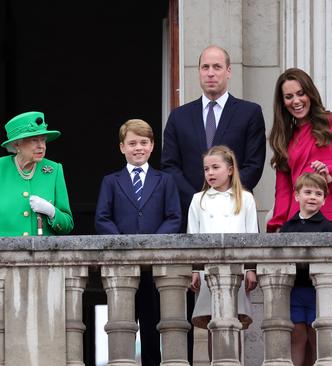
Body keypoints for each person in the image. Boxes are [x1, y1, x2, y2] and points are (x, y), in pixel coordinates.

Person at [161, 45, 265, 362]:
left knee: (237, 316)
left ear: (228, 71)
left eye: (217, 67)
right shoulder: (180, 117)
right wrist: (202, 193)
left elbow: (254, 163)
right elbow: (169, 165)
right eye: (205, 67)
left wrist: (225, 191)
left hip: (233, 218)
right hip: (199, 222)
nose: (210, 73)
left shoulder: (249, 112)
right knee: (204, 316)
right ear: (199, 72)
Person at [266, 67, 332, 341]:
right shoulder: (284, 137)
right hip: (298, 224)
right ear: (282, 102)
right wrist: (276, 227)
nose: (296, 101)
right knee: (300, 315)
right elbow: (283, 193)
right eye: (288, 96)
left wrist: (331, 173)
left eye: (300, 93)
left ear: (310, 93)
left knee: (331, 308)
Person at [0, 111, 73, 350]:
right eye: (34, 140)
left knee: (44, 344)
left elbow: (67, 223)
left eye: (43, 140)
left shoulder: (54, 170)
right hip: (4, 275)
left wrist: (51, 212)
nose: (41, 145)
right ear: (17, 144)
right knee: (3, 341)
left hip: (43, 272)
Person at [94, 119, 181, 365]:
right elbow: (102, 218)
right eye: (132, 143)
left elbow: (174, 217)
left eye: (144, 142)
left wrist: (153, 243)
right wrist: (124, 244)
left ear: (152, 146)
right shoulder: (111, 181)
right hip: (123, 266)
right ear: (122, 147)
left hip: (155, 268)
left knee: (153, 325)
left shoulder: (165, 180)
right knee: (122, 325)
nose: (138, 148)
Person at [187, 145, 258, 361]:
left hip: (237, 270)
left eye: (215, 167)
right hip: (209, 272)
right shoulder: (198, 199)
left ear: (229, 169)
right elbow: (193, 237)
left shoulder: (245, 199)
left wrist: (251, 269)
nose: (210, 173)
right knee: (212, 324)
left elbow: (252, 235)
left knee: (233, 322)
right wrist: (195, 270)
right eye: (206, 169)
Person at [280, 172, 332, 366]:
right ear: (297, 196)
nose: (313, 196)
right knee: (296, 337)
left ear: (324, 200)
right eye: (308, 192)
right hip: (294, 290)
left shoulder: (328, 227)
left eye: (318, 193)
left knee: (316, 338)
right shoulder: (288, 227)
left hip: (318, 292)